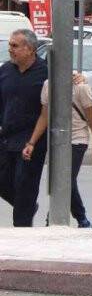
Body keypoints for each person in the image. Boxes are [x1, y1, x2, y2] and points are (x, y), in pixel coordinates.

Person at [24, 72, 92, 228]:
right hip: (57, 141)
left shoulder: (81, 87)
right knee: (59, 181)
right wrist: (31, 142)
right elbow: (44, 116)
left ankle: (76, 218)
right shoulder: (48, 85)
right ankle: (73, 217)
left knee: (67, 180)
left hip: (78, 140)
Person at [0, 30, 49, 227]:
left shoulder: (45, 72)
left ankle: (23, 231)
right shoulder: (5, 70)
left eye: (14, 46)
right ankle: (27, 207)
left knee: (24, 187)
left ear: (29, 49)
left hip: (32, 140)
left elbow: (49, 109)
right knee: (5, 183)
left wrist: (81, 78)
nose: (10, 49)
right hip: (6, 137)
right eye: (10, 45)